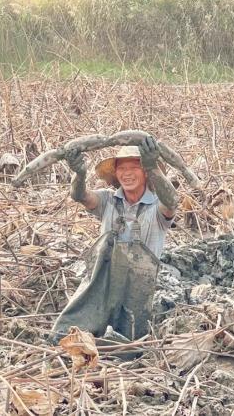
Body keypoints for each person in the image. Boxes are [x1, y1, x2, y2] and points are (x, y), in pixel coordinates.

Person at [51, 135, 178, 343]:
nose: (127, 174)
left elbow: (172, 201)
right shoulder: (107, 200)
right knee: (66, 334)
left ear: (145, 172)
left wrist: (153, 166)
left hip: (138, 291)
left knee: (127, 344)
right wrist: (79, 173)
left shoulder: (157, 207)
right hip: (101, 284)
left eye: (134, 168)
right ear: (115, 174)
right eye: (122, 169)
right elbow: (80, 195)